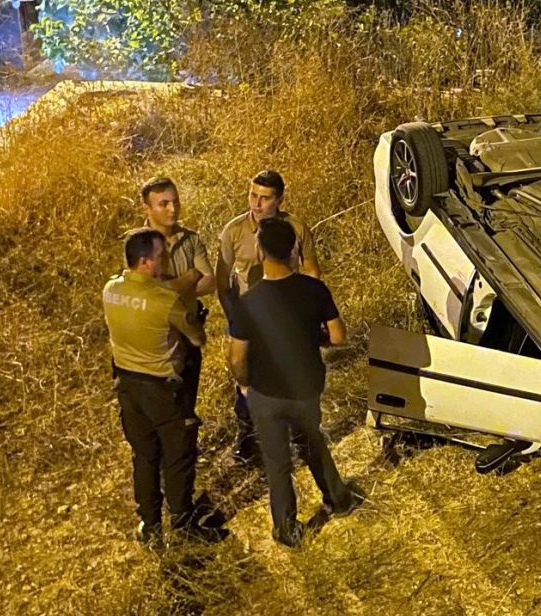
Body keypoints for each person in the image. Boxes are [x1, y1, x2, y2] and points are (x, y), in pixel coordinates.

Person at [226, 218, 354, 547]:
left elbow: (237, 357)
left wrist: (245, 385)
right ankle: (338, 499)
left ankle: (286, 528)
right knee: (313, 442)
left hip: (266, 394)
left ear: (260, 250)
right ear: (293, 251)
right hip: (305, 387)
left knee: (278, 462)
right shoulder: (314, 289)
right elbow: (338, 336)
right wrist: (311, 340)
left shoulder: (249, 302)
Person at [103, 228, 225, 545]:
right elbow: (197, 337)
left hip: (128, 388)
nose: (164, 260)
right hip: (163, 391)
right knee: (178, 457)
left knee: (144, 457)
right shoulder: (165, 302)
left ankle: (150, 524)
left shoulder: (110, 289)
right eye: (160, 256)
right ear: (146, 262)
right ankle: (183, 524)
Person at [217, 170, 320, 464]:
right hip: (251, 319)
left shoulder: (296, 228)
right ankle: (247, 440)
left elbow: (312, 270)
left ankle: (301, 439)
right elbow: (222, 281)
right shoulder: (234, 231)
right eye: (253, 195)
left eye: (264, 198)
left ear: (280, 199)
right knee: (246, 383)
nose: (256, 204)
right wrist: (234, 318)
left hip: (287, 319)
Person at [139, 176, 215, 435]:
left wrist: (169, 289)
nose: (173, 209)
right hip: (152, 344)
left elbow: (210, 282)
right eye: (163, 204)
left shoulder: (190, 239)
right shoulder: (134, 244)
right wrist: (190, 276)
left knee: (185, 411)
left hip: (187, 336)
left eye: (175, 202)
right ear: (147, 209)